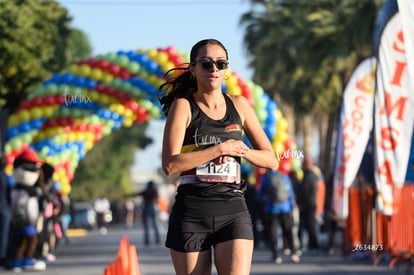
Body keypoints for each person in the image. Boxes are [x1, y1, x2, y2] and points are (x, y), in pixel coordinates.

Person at [159, 38, 277, 275]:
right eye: (206, 63)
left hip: (233, 209)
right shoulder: (183, 107)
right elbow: (170, 164)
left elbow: (271, 160)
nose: (213, 69)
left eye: (220, 63)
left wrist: (239, 149)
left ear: (226, 69)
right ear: (193, 68)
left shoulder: (240, 105)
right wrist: (219, 149)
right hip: (192, 212)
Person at [259, 170, 300, 264]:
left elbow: (261, 193)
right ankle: (294, 252)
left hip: (271, 208)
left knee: (273, 232)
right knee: (288, 231)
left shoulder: (266, 178)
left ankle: (275, 255)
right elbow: (290, 193)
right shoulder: (284, 177)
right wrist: (290, 207)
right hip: (285, 208)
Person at [296, 157, 320, 252]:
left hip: (308, 204)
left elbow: (307, 191)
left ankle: (313, 244)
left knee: (310, 225)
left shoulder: (309, 176)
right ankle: (311, 244)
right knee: (308, 225)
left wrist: (302, 203)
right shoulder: (309, 175)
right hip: (309, 204)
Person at [0, 155, 11, 269]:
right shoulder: (6, 177)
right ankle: (2, 258)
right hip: (4, 208)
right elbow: (10, 194)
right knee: (4, 235)